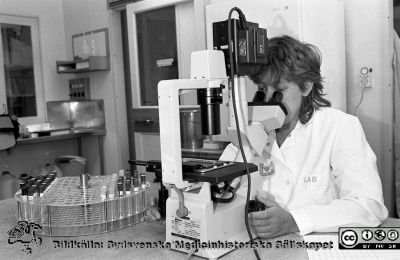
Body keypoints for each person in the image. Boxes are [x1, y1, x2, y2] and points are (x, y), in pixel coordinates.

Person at [219, 35, 388, 238]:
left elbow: (369, 206)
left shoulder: (339, 127)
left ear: (306, 86)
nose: (269, 100)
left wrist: (294, 221)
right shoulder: (251, 131)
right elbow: (220, 187)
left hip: (318, 248)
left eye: (279, 89)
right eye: (263, 90)